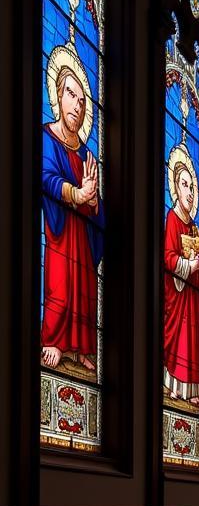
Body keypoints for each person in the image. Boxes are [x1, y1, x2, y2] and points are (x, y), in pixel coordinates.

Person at [41, 60, 104, 374]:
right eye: (71, 95)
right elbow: (46, 179)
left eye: (83, 101)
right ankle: (52, 339)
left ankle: (80, 348)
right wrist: (76, 194)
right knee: (60, 285)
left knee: (84, 290)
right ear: (57, 94)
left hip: (83, 239)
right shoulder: (47, 138)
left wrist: (92, 202)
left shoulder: (87, 155)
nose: (77, 105)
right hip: (60, 234)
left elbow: (99, 212)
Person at [163, 152, 199, 408]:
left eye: (192, 186)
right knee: (177, 338)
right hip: (176, 292)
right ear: (175, 189)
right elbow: (167, 258)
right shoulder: (171, 219)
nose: (190, 192)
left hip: (192, 296)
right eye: (184, 184)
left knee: (192, 342)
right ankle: (175, 386)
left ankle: (191, 390)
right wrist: (187, 265)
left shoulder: (194, 229)